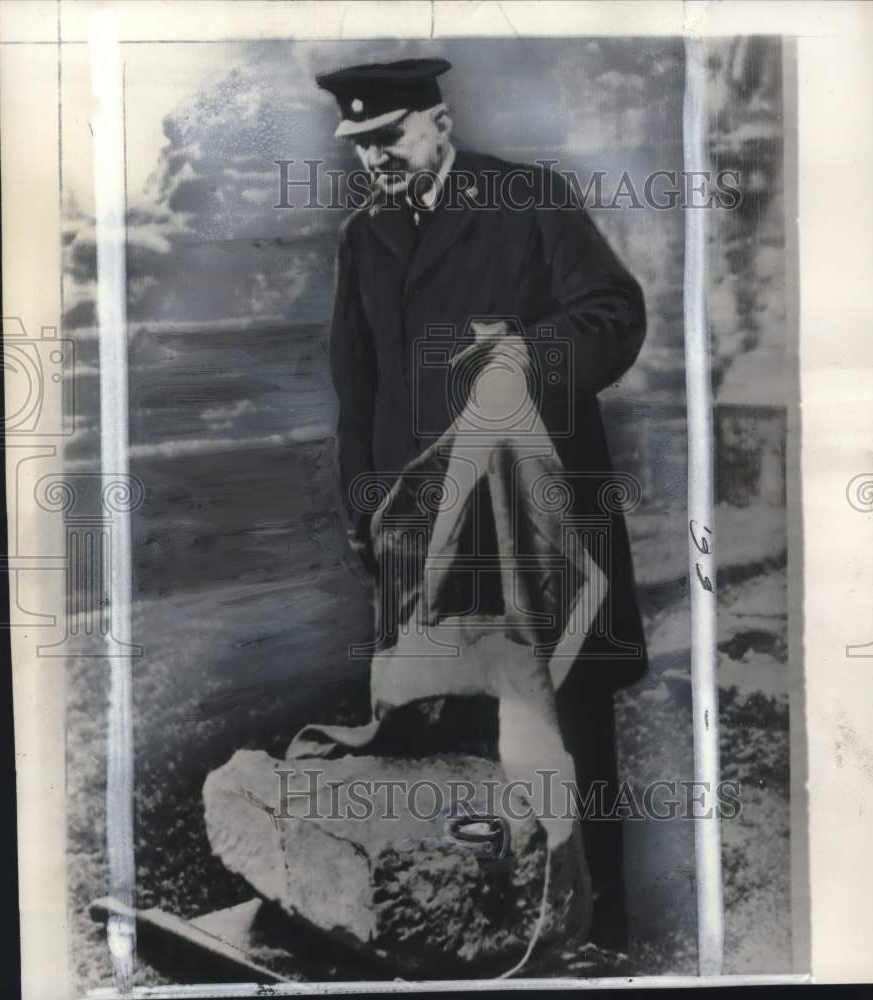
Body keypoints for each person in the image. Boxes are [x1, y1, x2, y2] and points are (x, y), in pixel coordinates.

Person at [315, 57, 648, 951]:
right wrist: (366, 509)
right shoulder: (363, 234)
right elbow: (359, 389)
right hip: (421, 529)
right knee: (447, 729)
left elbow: (615, 311)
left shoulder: (529, 199)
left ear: (439, 123)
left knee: (564, 719)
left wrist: (525, 361)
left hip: (537, 518)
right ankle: (480, 929)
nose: (375, 161)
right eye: (360, 147)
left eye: (388, 139)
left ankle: (595, 936)